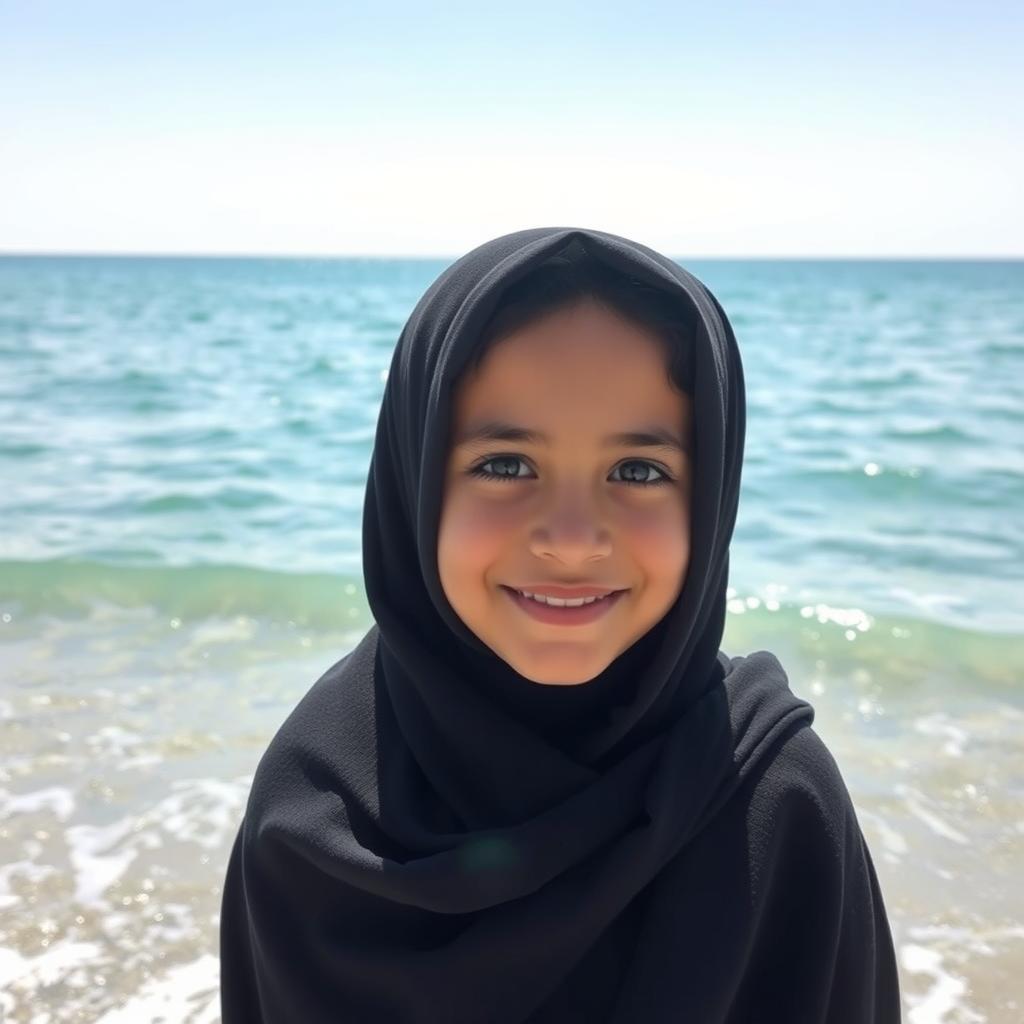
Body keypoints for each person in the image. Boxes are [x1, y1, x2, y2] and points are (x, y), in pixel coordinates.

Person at [219, 226, 902, 1022]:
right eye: (506, 465)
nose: (572, 540)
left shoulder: (770, 801)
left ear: (711, 495)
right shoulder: (313, 816)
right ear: (416, 482)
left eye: (638, 471)